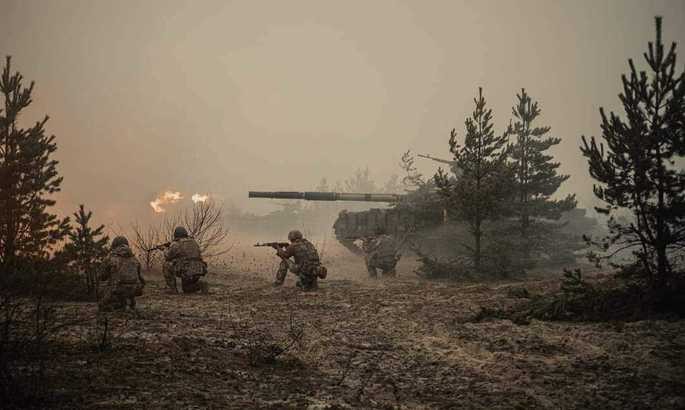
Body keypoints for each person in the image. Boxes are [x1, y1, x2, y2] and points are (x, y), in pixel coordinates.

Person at [99, 236, 145, 311]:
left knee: (102, 306)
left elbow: (102, 276)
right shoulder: (135, 259)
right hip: (135, 289)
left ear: (114, 245)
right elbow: (141, 278)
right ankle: (130, 300)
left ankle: (119, 303)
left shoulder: (110, 257)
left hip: (118, 289)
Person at [163, 226, 208, 294]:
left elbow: (168, 256)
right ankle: (200, 285)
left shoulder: (176, 244)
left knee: (166, 265)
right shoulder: (194, 242)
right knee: (186, 289)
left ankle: (172, 289)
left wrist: (164, 249)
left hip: (186, 270)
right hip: (199, 269)